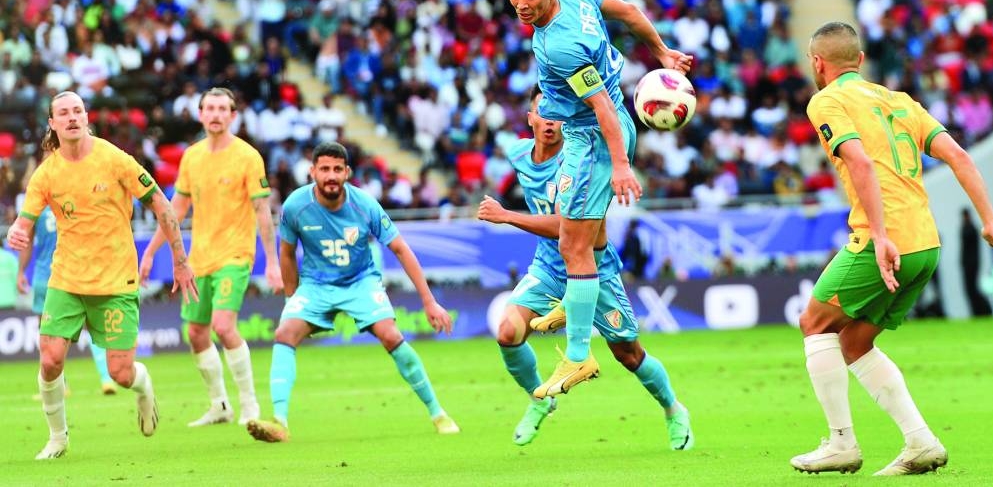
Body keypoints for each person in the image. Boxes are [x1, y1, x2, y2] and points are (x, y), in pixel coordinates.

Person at [791, 22, 993, 475]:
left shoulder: (826, 101)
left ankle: (841, 443)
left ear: (817, 63)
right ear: (861, 62)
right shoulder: (900, 101)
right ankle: (920, 442)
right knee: (854, 340)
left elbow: (860, 161)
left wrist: (881, 235)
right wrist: (990, 220)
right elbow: (960, 156)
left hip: (882, 240)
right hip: (926, 243)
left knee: (814, 321)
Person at [501, 0, 690, 398]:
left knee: (573, 244)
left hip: (594, 137)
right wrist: (661, 51)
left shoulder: (562, 47)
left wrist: (621, 164)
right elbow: (628, 11)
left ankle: (580, 353)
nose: (522, 5)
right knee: (574, 236)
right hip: (591, 132)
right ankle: (575, 305)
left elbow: (602, 105)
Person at [478, 88, 693, 449]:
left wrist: (507, 216)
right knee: (507, 333)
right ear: (530, 118)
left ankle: (674, 409)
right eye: (541, 113)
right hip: (549, 267)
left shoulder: (583, 162)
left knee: (628, 354)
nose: (550, 120)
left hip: (595, 269)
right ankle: (539, 399)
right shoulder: (518, 154)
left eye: (557, 114)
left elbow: (575, 231)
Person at [5, 91, 197, 460]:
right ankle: (58, 437)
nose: (72, 117)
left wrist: (180, 258)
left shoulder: (115, 159)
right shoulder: (46, 173)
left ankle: (143, 389)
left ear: (86, 116)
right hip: (67, 279)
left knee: (121, 374)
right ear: (53, 123)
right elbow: (24, 222)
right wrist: (17, 231)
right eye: (64, 112)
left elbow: (159, 201)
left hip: (115, 281)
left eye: (78, 110)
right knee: (49, 358)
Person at [246, 142, 459, 443]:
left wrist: (429, 301)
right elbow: (287, 253)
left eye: (337, 169)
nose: (330, 176)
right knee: (284, 332)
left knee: (390, 335)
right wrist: (291, 299)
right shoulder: (296, 206)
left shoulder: (365, 205)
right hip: (316, 286)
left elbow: (400, 248)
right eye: (324, 169)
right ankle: (279, 422)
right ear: (312, 172)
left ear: (347, 172)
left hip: (360, 282)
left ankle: (439, 413)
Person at [141, 87, 280, 428]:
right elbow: (177, 209)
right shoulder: (192, 157)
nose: (216, 114)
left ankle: (249, 403)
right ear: (200, 114)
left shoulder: (248, 157)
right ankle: (220, 405)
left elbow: (262, 210)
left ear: (233, 116)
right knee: (197, 334)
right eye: (210, 108)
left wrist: (273, 263)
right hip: (199, 258)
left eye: (223, 109)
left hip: (235, 254)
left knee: (222, 325)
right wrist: (151, 251)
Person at [17, 205, 117, 396]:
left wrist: (21, 271)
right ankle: (106, 379)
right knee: (91, 325)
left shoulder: (36, 207)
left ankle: (60, 385)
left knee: (47, 333)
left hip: (45, 275)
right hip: (73, 273)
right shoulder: (70, 199)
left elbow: (27, 242)